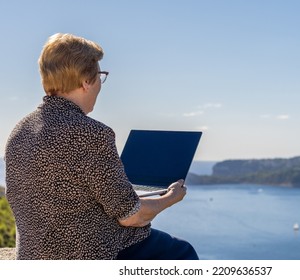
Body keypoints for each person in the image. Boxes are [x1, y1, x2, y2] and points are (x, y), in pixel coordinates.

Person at [5, 33, 199, 260]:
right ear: (86, 81)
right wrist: (170, 197)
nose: (99, 84)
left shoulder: (20, 131)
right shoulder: (90, 133)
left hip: (35, 257)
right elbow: (131, 216)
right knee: (181, 251)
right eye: (99, 75)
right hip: (89, 255)